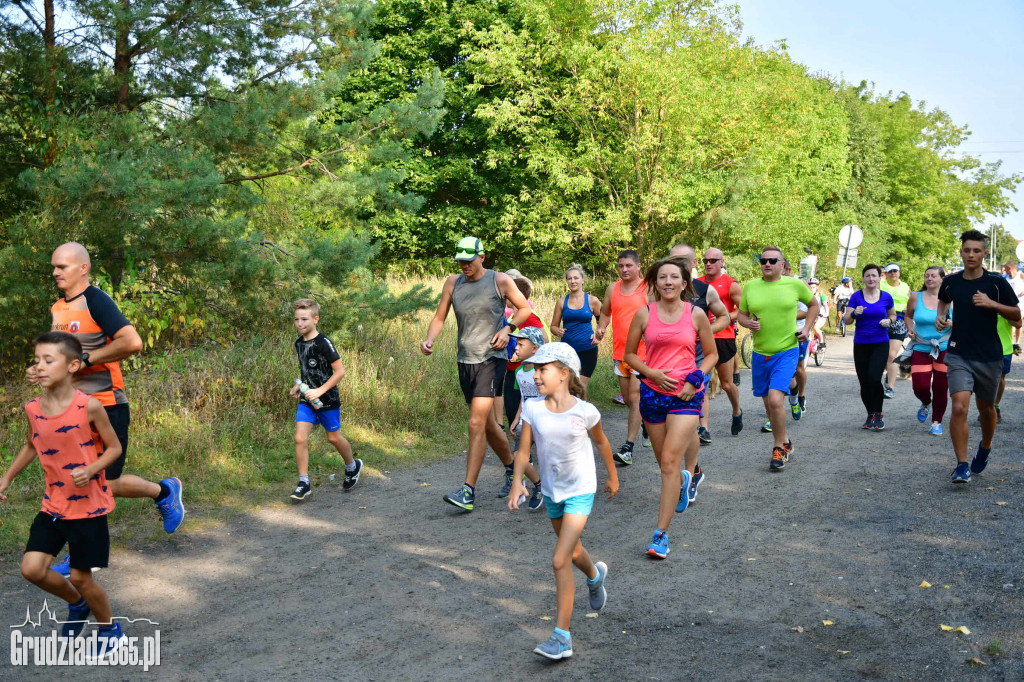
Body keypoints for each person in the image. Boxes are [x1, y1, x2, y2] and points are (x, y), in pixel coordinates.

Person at [36, 243, 184, 578]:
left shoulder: (97, 301)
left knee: (101, 482)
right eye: (54, 267)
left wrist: (87, 359)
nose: (56, 272)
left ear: (83, 268)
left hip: (105, 405)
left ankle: (164, 491)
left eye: (62, 266)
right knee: (86, 482)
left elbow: (132, 342)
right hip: (71, 410)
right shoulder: (58, 308)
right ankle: (163, 491)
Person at [0, 332, 128, 656]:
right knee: (31, 569)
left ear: (72, 365)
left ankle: (109, 628)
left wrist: (92, 468)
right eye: (37, 360)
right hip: (53, 505)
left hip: (88, 509)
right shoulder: (32, 408)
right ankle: (77, 603)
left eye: (48, 360)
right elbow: (32, 443)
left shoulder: (90, 406)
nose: (39, 367)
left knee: (82, 577)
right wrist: (7, 477)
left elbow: (114, 448)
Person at [507, 342, 618, 660]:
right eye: (535, 369)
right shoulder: (533, 408)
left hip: (581, 490)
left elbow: (602, 443)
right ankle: (595, 577)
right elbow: (523, 451)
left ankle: (562, 637)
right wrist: (517, 482)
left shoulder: (585, 411)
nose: (536, 375)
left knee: (560, 559)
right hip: (554, 492)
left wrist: (612, 476)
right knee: (574, 551)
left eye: (543, 369)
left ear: (564, 374)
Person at [420, 236, 542, 511]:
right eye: (460, 261)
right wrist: (430, 339)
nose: (464, 265)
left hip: (492, 358)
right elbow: (440, 317)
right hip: (466, 360)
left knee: (475, 423)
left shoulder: (500, 281)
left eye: (469, 260)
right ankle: (520, 471)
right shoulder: (453, 283)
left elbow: (524, 308)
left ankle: (468, 491)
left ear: (482, 257)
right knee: (487, 424)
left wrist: (507, 328)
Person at [625, 257, 717, 559]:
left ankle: (660, 535)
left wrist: (695, 379)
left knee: (668, 463)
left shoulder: (696, 314)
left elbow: (711, 356)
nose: (667, 282)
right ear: (655, 282)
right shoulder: (644, 314)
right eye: (662, 277)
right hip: (652, 394)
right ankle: (683, 479)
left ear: (684, 283)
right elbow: (630, 356)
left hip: (686, 396)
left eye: (673, 277)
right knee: (666, 466)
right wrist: (650, 373)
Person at [937, 230, 1021, 484]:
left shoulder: (996, 283)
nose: (971, 255)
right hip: (959, 352)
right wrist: (941, 317)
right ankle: (962, 465)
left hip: (989, 356)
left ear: (985, 253)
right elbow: (943, 301)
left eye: (976, 251)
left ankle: (985, 446)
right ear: (961, 252)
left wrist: (992, 304)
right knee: (960, 406)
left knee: (986, 408)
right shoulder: (951, 282)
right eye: (967, 250)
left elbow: (1017, 316)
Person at [738, 246, 818, 471]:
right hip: (761, 353)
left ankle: (778, 448)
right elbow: (741, 314)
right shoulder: (751, 287)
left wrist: (808, 328)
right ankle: (786, 442)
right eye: (763, 260)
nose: (767, 264)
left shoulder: (794, 284)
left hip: (787, 350)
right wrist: (748, 323)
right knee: (770, 406)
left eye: (773, 260)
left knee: (775, 401)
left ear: (782, 264)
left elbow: (814, 305)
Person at [288, 299, 362, 501]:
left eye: (304, 319)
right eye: (296, 319)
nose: (300, 324)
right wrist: (298, 385)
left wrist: (320, 390)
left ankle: (352, 466)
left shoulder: (323, 343)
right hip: (307, 400)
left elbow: (340, 372)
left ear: (315, 319)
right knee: (300, 438)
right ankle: (304, 482)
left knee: (333, 438)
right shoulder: (298, 343)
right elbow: (307, 371)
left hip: (327, 399)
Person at [595, 250, 648, 465]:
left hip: (642, 354)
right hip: (620, 354)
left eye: (628, 265)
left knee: (634, 399)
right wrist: (601, 327)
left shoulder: (648, 288)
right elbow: (605, 312)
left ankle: (628, 447)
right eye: (621, 266)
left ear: (638, 266)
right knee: (627, 400)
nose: (624, 270)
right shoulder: (612, 288)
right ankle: (645, 422)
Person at [501, 276, 549, 473]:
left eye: (508, 292)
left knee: (528, 419)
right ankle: (524, 456)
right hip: (515, 372)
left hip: (526, 371)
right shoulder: (514, 315)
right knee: (515, 415)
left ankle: (528, 457)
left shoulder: (528, 316)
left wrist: (536, 364)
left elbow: (543, 340)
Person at [697, 248, 744, 438]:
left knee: (726, 384)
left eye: (713, 260)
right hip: (700, 339)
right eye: (705, 260)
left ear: (721, 261)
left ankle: (737, 411)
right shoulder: (696, 284)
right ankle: (704, 428)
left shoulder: (731, 284)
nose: (708, 263)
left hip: (723, 337)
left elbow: (743, 311)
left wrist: (722, 317)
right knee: (700, 382)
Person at [844, 264, 897, 430]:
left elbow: (893, 315)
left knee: (874, 378)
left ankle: (879, 413)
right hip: (861, 343)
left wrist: (889, 321)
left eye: (874, 275)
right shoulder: (856, 297)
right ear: (863, 278)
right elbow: (846, 320)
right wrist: (854, 313)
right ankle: (870, 414)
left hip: (880, 342)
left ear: (879, 277)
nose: (871, 279)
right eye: (868, 276)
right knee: (864, 382)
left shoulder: (886, 297)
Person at [905, 266, 950, 436]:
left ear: (942, 279)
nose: (929, 278)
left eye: (933, 276)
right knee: (920, 385)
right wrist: (910, 328)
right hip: (921, 345)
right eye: (926, 276)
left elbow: (962, 320)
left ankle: (936, 422)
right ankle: (925, 402)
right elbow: (908, 316)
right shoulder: (916, 297)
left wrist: (953, 324)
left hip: (943, 347)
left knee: (941, 386)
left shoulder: (951, 299)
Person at [550, 264, 602, 388]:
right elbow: (553, 326)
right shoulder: (562, 302)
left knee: (580, 387)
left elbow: (603, 321)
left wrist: (598, 335)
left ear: (583, 280)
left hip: (587, 349)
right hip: (567, 351)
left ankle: (582, 407)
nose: (573, 281)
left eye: (576, 278)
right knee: (566, 387)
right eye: (569, 278)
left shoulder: (592, 300)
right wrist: (558, 331)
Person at [880, 263, 911, 398]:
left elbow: (911, 303)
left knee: (892, 355)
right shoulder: (880, 285)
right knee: (880, 354)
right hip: (882, 320)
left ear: (899, 273)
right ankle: (875, 382)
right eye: (890, 271)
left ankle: (890, 387)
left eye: (895, 271)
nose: (893, 273)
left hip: (899, 321)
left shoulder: (905, 287)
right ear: (885, 274)